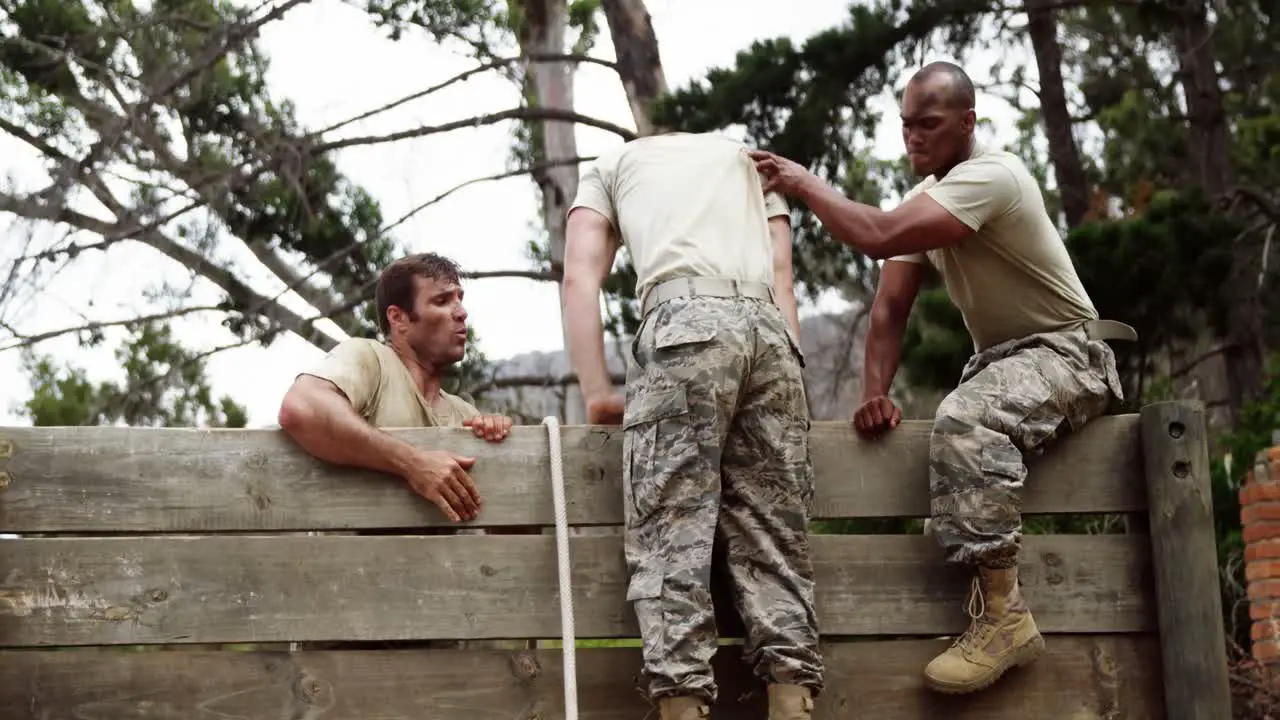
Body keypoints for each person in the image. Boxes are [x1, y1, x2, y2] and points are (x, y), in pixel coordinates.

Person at [749, 61, 1136, 695]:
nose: (913, 138)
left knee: (966, 419)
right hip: (1008, 364)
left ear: (968, 122)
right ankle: (986, 607)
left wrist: (804, 183)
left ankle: (1004, 620)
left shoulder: (991, 177)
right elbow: (890, 308)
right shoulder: (928, 201)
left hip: (1072, 355)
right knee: (959, 437)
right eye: (905, 126)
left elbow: (874, 236)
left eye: (928, 125)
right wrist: (874, 391)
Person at [562, 132, 823, 720]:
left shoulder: (611, 164)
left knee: (670, 530)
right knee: (772, 530)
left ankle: (682, 704)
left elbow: (580, 277)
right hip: (769, 333)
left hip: (684, 321)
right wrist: (790, 391)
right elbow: (782, 275)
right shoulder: (748, 157)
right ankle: (792, 698)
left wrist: (599, 391)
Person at [277, 252, 514, 525]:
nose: (461, 312)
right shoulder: (370, 358)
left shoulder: (464, 413)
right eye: (442, 300)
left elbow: (512, 524)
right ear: (398, 318)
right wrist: (412, 464)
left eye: (460, 299)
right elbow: (301, 408)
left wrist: (501, 442)